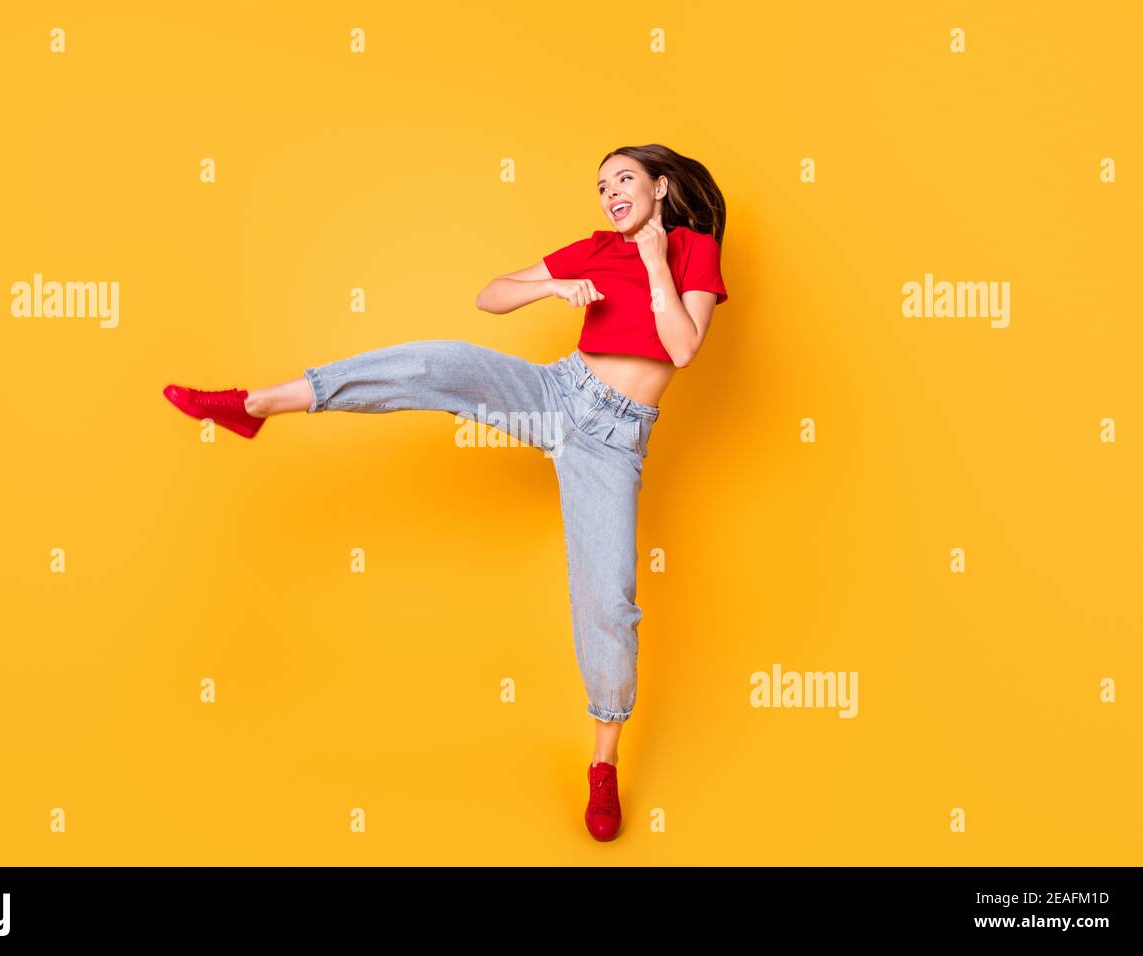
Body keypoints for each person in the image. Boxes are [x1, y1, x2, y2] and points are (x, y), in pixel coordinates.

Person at [163, 143, 729, 842]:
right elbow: (489, 295)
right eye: (602, 185)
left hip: (612, 442)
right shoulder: (593, 248)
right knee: (437, 362)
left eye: (624, 181)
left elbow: (681, 347)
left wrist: (650, 265)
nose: (611, 194)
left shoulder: (691, 250)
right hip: (556, 394)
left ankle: (603, 764)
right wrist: (552, 287)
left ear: (660, 185)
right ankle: (253, 405)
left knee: (608, 600)